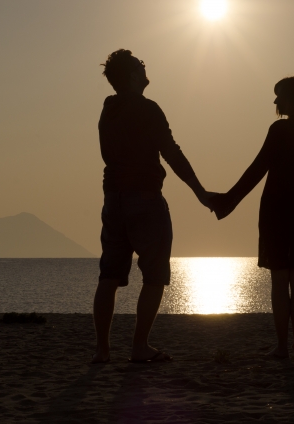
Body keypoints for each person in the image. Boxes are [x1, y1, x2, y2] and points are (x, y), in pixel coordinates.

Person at [92, 49, 214, 364]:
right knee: (155, 275)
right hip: (144, 198)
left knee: (109, 276)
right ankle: (139, 347)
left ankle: (103, 352)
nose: (145, 69)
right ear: (133, 75)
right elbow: (170, 152)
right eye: (140, 66)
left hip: (113, 199)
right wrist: (199, 191)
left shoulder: (109, 109)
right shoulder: (147, 109)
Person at [210, 76, 294, 360]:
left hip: (277, 213)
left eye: (280, 96)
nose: (275, 102)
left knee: (280, 281)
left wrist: (228, 200)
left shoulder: (280, 130)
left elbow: (257, 170)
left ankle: (283, 348)